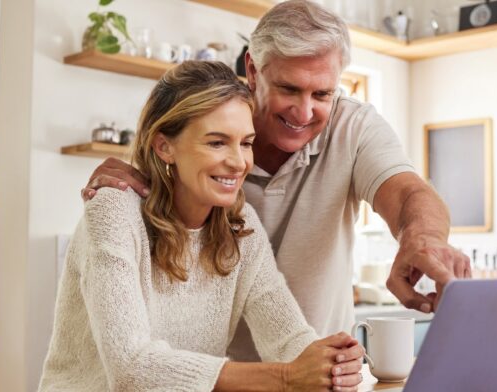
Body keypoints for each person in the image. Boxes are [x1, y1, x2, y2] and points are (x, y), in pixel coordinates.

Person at [83, 0, 471, 361]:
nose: (304, 112)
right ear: (253, 70)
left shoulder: (353, 128)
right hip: (208, 377)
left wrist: (423, 239)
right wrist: (130, 187)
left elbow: (407, 193)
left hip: (304, 371)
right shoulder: (201, 141)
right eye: (289, 88)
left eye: (322, 93)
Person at [39, 61, 364, 391]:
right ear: (164, 146)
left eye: (246, 143)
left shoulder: (240, 227)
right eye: (216, 142)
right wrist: (286, 377)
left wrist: (329, 363)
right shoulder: (115, 211)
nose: (238, 162)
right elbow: (132, 369)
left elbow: (288, 338)